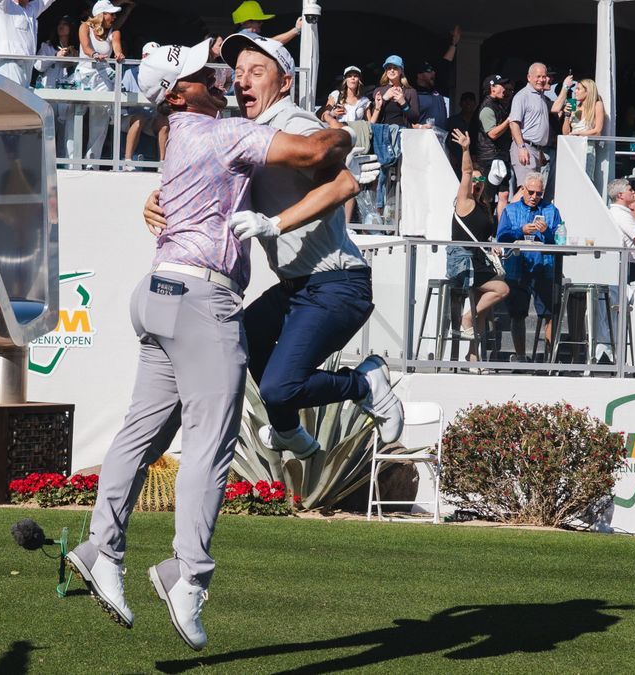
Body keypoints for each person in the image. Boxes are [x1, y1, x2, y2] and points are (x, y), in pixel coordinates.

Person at [65, 39, 358, 652]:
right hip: (203, 300)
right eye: (202, 73)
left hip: (158, 293)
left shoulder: (180, 135)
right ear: (179, 93)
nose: (219, 76)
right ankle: (186, 575)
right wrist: (347, 133)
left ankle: (100, 547)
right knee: (210, 444)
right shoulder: (216, 131)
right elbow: (318, 151)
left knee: (140, 436)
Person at [142, 32, 401, 458]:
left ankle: (365, 382)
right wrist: (154, 201)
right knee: (239, 343)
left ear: (284, 84)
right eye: (239, 72)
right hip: (297, 287)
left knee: (281, 387)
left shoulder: (294, 125)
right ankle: (285, 431)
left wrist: (273, 224)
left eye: (257, 72)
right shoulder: (241, 130)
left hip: (337, 284)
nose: (242, 81)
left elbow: (343, 185)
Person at [449, 128, 509, 363]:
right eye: (473, 181)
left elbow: (484, 236)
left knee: (483, 311)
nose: (476, 183)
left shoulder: (484, 207)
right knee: (502, 290)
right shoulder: (464, 202)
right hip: (463, 263)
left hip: (478, 261)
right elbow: (465, 171)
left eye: (480, 180)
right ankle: (466, 318)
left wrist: (492, 245)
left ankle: (473, 357)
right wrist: (465, 149)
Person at [496, 171, 561, 360]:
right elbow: (502, 238)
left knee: (550, 314)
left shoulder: (551, 210)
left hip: (544, 267)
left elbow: (560, 239)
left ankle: (550, 359)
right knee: (517, 315)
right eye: (531, 192)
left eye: (538, 194)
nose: (534, 197)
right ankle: (521, 356)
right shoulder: (510, 210)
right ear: (523, 189)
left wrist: (547, 232)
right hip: (517, 267)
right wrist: (520, 231)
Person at [72, 0, 133, 167]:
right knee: (74, 120)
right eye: (111, 14)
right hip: (83, 77)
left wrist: (119, 55)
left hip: (103, 78)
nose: (114, 17)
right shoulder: (85, 27)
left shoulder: (115, 32)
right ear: (101, 14)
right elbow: (86, 47)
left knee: (99, 123)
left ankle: (92, 163)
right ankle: (71, 162)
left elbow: (117, 48)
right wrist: (94, 54)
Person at [0, 0, 57, 86]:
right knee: (12, 96)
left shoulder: (31, 9)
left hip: (27, 65)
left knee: (22, 97)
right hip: (10, 63)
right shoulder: (5, 6)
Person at [120, 41, 167, 169]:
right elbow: (122, 102)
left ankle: (163, 164)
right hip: (128, 117)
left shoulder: (163, 76)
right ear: (144, 57)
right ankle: (128, 161)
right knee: (139, 118)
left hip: (151, 118)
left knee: (164, 123)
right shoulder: (130, 73)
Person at [34, 15, 76, 156]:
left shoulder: (77, 48)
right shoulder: (47, 46)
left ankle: (67, 164)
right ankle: (46, 162)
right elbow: (38, 65)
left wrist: (72, 58)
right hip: (50, 92)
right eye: (59, 23)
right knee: (48, 130)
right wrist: (55, 55)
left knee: (68, 132)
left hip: (69, 93)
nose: (61, 26)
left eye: (65, 24)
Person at [508, 62, 551, 188]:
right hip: (525, 148)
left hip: (536, 151)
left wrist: (540, 150)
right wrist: (521, 147)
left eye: (544, 76)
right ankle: (509, 209)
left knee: (534, 190)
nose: (541, 80)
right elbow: (514, 123)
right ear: (529, 77)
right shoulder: (522, 96)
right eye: (538, 76)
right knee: (526, 190)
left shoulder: (541, 96)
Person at [475, 74, 512, 218]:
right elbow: (492, 134)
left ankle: (500, 231)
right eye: (501, 85)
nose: (505, 89)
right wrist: (509, 120)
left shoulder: (499, 105)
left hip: (501, 156)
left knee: (504, 194)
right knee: (487, 196)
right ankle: (487, 230)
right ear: (492, 88)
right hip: (489, 159)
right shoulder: (487, 108)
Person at [369, 55, 418, 127]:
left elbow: (415, 119)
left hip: (403, 133)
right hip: (383, 133)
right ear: (386, 71)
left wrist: (403, 102)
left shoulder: (410, 91)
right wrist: (384, 98)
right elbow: (374, 117)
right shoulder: (378, 90)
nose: (392, 70)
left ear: (401, 70)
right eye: (389, 68)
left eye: (395, 68)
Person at [230, 0, 300, 45]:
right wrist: (296, 29)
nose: (261, 23)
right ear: (247, 23)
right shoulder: (245, 36)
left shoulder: (242, 36)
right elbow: (271, 43)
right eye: (258, 21)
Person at [412, 61, 448, 132]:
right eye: (429, 71)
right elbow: (405, 123)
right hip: (422, 140)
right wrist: (420, 127)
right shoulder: (413, 94)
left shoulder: (438, 90)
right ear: (419, 75)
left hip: (441, 140)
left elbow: (446, 63)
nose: (433, 73)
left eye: (433, 71)